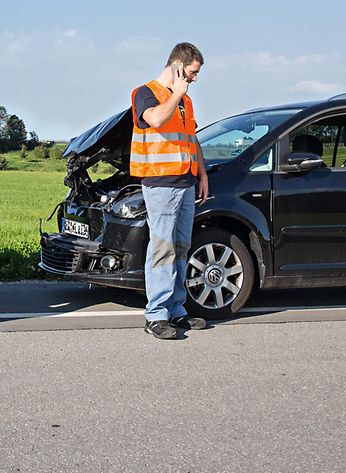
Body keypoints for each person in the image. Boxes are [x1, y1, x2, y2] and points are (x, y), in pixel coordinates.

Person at [129, 42, 209, 339]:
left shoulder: (185, 102)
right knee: (162, 249)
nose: (194, 79)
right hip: (161, 184)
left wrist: (202, 173)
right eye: (192, 72)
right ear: (177, 66)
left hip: (186, 183)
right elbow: (155, 119)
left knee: (181, 248)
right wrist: (177, 91)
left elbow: (192, 139)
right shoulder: (146, 92)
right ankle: (156, 315)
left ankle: (176, 310)